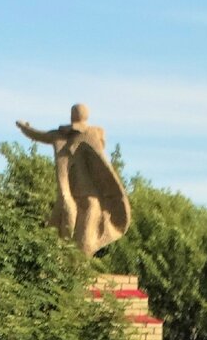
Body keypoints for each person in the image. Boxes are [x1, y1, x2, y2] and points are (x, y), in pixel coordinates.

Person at [16, 105, 131, 256]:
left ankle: (77, 270)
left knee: (82, 239)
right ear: (86, 116)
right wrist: (26, 128)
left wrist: (25, 128)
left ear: (72, 116)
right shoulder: (87, 133)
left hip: (79, 197)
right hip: (79, 197)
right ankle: (71, 270)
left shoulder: (69, 135)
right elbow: (38, 135)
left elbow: (37, 135)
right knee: (70, 238)